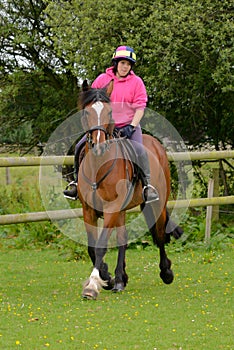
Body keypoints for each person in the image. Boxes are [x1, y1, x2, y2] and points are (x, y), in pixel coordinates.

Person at [64, 45, 159, 203]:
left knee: (139, 150)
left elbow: (140, 107)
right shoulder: (102, 79)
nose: (125, 67)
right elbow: (91, 102)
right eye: (122, 63)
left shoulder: (137, 82)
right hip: (104, 126)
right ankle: (75, 182)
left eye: (128, 64)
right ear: (116, 64)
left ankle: (146, 186)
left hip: (129, 125)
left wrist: (132, 126)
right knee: (80, 146)